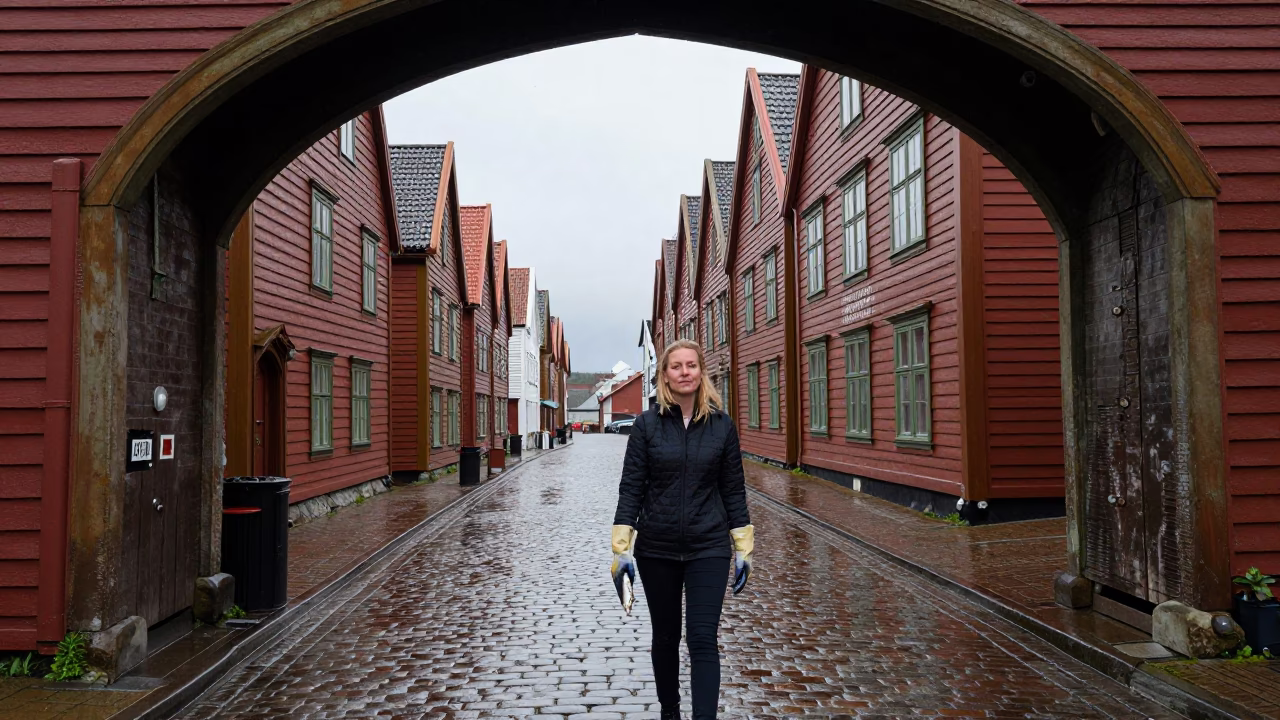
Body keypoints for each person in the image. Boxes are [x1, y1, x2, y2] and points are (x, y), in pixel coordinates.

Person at [610, 339, 754, 720]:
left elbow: (733, 490)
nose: (685, 372)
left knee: (703, 637)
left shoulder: (722, 426)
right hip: (657, 548)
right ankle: (670, 713)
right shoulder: (646, 425)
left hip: (709, 545)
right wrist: (621, 550)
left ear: (701, 372)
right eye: (677, 366)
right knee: (666, 637)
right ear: (665, 375)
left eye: (692, 365)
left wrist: (743, 547)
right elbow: (632, 489)